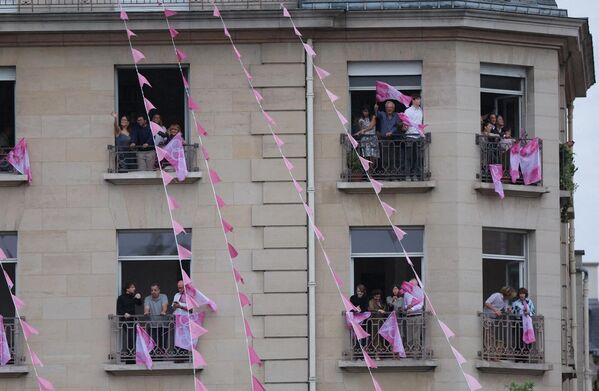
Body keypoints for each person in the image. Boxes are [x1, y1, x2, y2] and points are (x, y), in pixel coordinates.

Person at [116, 282, 142, 362]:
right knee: (130, 337)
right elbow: (119, 309)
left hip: (133, 321)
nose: (134, 288)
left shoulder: (132, 297)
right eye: (132, 287)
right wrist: (124, 314)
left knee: (133, 338)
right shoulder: (121, 298)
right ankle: (129, 358)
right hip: (125, 321)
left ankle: (131, 356)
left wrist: (139, 298)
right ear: (127, 289)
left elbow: (139, 304)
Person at [144, 283, 169, 354]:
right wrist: (146, 312)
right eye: (152, 290)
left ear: (159, 290)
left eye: (155, 290)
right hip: (153, 325)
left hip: (164, 324)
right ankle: (154, 357)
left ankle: (161, 357)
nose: (153, 292)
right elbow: (146, 307)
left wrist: (163, 311)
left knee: (163, 343)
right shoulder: (147, 298)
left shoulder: (163, 296)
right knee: (153, 342)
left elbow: (164, 305)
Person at [404, 94, 424, 180]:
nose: (419, 101)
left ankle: (416, 174)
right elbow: (405, 123)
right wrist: (405, 126)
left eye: (420, 99)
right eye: (418, 99)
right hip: (410, 136)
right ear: (413, 100)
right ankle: (408, 174)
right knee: (409, 157)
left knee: (418, 157)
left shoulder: (421, 111)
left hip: (418, 136)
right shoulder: (408, 111)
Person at [368, 289, 386, 358]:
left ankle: (381, 354)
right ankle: (376, 355)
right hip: (375, 321)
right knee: (375, 337)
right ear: (374, 295)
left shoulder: (381, 302)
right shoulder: (371, 301)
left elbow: (384, 309)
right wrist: (378, 310)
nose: (378, 296)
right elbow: (371, 309)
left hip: (381, 322)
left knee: (381, 337)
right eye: (376, 295)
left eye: (379, 295)